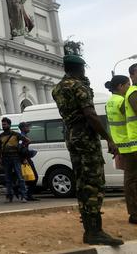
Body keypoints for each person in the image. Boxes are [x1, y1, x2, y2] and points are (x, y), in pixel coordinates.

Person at [52, 54, 123, 246]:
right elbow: (90, 114)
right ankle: (95, 231)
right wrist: (108, 138)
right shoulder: (79, 86)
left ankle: (89, 229)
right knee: (93, 182)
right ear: (80, 68)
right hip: (86, 139)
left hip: (72, 137)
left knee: (82, 183)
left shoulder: (58, 88)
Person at [105, 74, 137, 223]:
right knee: (131, 180)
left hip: (121, 145)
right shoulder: (122, 101)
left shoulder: (109, 102)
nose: (129, 87)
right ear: (120, 86)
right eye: (127, 84)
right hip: (130, 144)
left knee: (129, 179)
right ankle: (134, 213)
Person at [0, 117, 30, 203]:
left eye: (5, 124)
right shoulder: (1, 136)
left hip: (15, 157)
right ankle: (9, 196)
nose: (3, 126)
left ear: (9, 125)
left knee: (20, 177)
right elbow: (0, 148)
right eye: (2, 124)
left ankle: (24, 196)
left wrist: (21, 148)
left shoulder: (15, 134)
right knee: (7, 178)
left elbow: (27, 141)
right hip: (5, 158)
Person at [18, 122, 40, 201]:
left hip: (26, 158)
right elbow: (20, 149)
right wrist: (24, 158)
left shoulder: (24, 136)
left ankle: (27, 194)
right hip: (25, 159)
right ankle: (27, 194)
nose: (29, 128)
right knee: (34, 177)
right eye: (27, 127)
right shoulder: (22, 136)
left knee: (29, 177)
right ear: (23, 128)